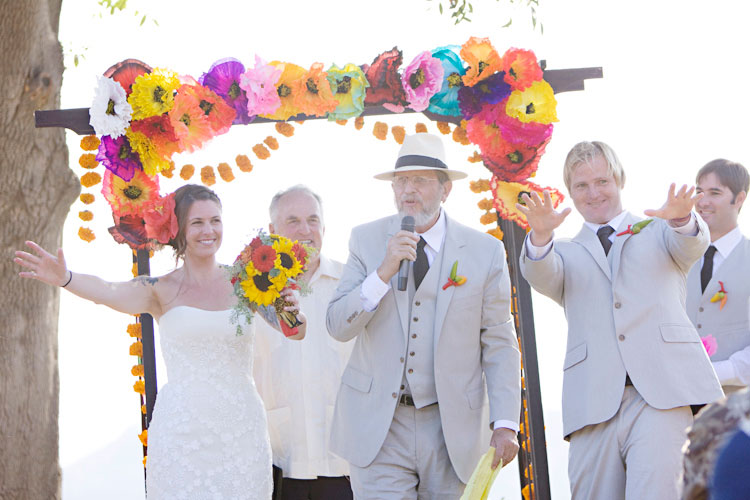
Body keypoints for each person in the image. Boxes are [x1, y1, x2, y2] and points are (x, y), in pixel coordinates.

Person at [14, 184, 306, 500]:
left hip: (241, 429)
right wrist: (65, 278)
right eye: (197, 223)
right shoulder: (159, 289)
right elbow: (107, 290)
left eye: (215, 220)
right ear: (178, 229)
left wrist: (293, 312)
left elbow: (294, 330)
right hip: (180, 430)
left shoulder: (247, 282)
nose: (208, 230)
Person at [517, 141, 724, 500]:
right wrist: (540, 236)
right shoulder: (560, 251)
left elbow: (693, 244)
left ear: (619, 181)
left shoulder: (661, 231)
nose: (593, 193)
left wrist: (680, 218)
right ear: (570, 192)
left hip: (662, 395)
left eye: (602, 181)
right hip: (592, 403)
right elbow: (539, 275)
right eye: (581, 186)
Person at [326, 133, 521, 499]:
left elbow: (499, 341)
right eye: (401, 181)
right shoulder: (365, 240)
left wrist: (507, 422)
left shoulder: (485, 252)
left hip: (452, 429)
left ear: (445, 190)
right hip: (379, 426)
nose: (408, 191)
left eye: (420, 181)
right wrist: (383, 272)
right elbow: (337, 325)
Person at [253, 185, 354, 499]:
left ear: (324, 226)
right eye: (293, 221)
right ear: (272, 231)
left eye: (313, 220)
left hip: (345, 460)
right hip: (280, 462)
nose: (305, 230)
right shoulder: (253, 291)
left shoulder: (351, 283)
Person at [687, 159, 750, 394]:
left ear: (740, 198)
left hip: (737, 410)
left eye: (715, 193)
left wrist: (714, 372)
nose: (703, 202)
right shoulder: (680, 258)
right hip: (676, 407)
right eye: (699, 192)